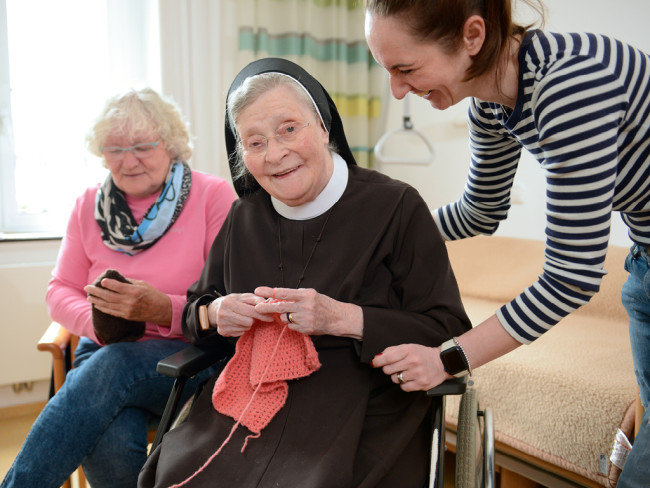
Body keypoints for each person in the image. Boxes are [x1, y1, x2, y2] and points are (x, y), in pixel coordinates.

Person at [137, 57, 471, 488]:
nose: (275, 154)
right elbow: (196, 313)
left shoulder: (397, 207)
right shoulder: (243, 217)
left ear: (324, 127)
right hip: (247, 406)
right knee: (176, 473)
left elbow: (448, 329)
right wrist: (216, 312)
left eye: (289, 129)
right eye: (254, 143)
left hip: (360, 407)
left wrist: (343, 319)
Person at [364, 1, 650, 486]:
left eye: (405, 69)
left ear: (472, 36)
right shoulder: (492, 106)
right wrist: (389, 233)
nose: (398, 91)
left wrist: (446, 358)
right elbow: (481, 210)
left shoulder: (570, 84)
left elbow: (570, 278)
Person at [1, 88, 236, 488]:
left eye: (143, 146)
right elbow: (59, 290)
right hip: (105, 354)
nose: (128, 161)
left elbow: (229, 297)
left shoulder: (213, 196)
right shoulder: (88, 205)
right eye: (114, 150)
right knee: (108, 427)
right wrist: (102, 327)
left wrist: (161, 309)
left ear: (171, 144)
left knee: (108, 369)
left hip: (188, 355)